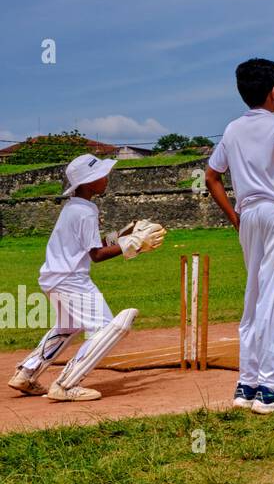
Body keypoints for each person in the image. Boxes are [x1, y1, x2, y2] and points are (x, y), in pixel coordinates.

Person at [205, 58, 274, 414]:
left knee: (254, 296)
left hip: (249, 214)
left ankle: (246, 385)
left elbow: (212, 176)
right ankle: (269, 388)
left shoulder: (232, 129)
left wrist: (234, 215)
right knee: (272, 294)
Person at [7, 155, 165, 401]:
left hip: (54, 277)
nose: (106, 178)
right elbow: (97, 255)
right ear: (89, 182)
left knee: (69, 326)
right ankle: (66, 385)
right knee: (105, 328)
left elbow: (91, 246)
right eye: (101, 175)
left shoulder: (75, 207)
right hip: (71, 280)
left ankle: (27, 373)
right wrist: (133, 244)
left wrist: (124, 233)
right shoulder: (85, 211)